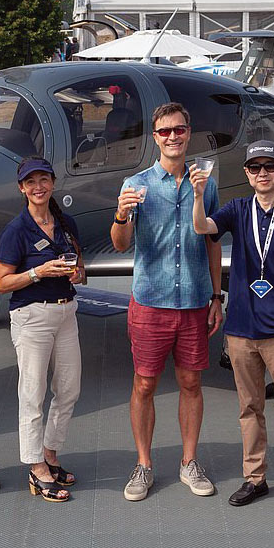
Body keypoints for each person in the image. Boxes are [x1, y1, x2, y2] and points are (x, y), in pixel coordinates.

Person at [191, 140, 274, 517]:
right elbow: (202, 227)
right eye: (254, 168)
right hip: (241, 330)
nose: (262, 173)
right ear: (246, 174)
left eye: (269, 166)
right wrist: (199, 195)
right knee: (249, 408)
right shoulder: (236, 209)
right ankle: (255, 477)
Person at [111, 102, 223, 502]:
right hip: (151, 302)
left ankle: (188, 461)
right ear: (154, 137)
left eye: (179, 129)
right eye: (164, 132)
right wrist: (121, 216)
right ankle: (143, 464)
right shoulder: (135, 183)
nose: (172, 137)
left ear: (188, 132)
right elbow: (121, 244)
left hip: (193, 299)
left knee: (191, 382)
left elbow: (212, 242)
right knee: (144, 384)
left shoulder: (206, 183)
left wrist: (215, 295)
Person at [0, 157, 86, 503]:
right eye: (30, 182)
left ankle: (50, 452)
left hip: (66, 313)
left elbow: (80, 268)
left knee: (69, 390)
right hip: (32, 317)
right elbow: (3, 283)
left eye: (43, 180)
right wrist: (37, 273)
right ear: (22, 188)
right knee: (32, 395)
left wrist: (76, 274)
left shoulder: (66, 224)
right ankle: (36, 468)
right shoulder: (16, 231)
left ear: (52, 183)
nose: (38, 187)